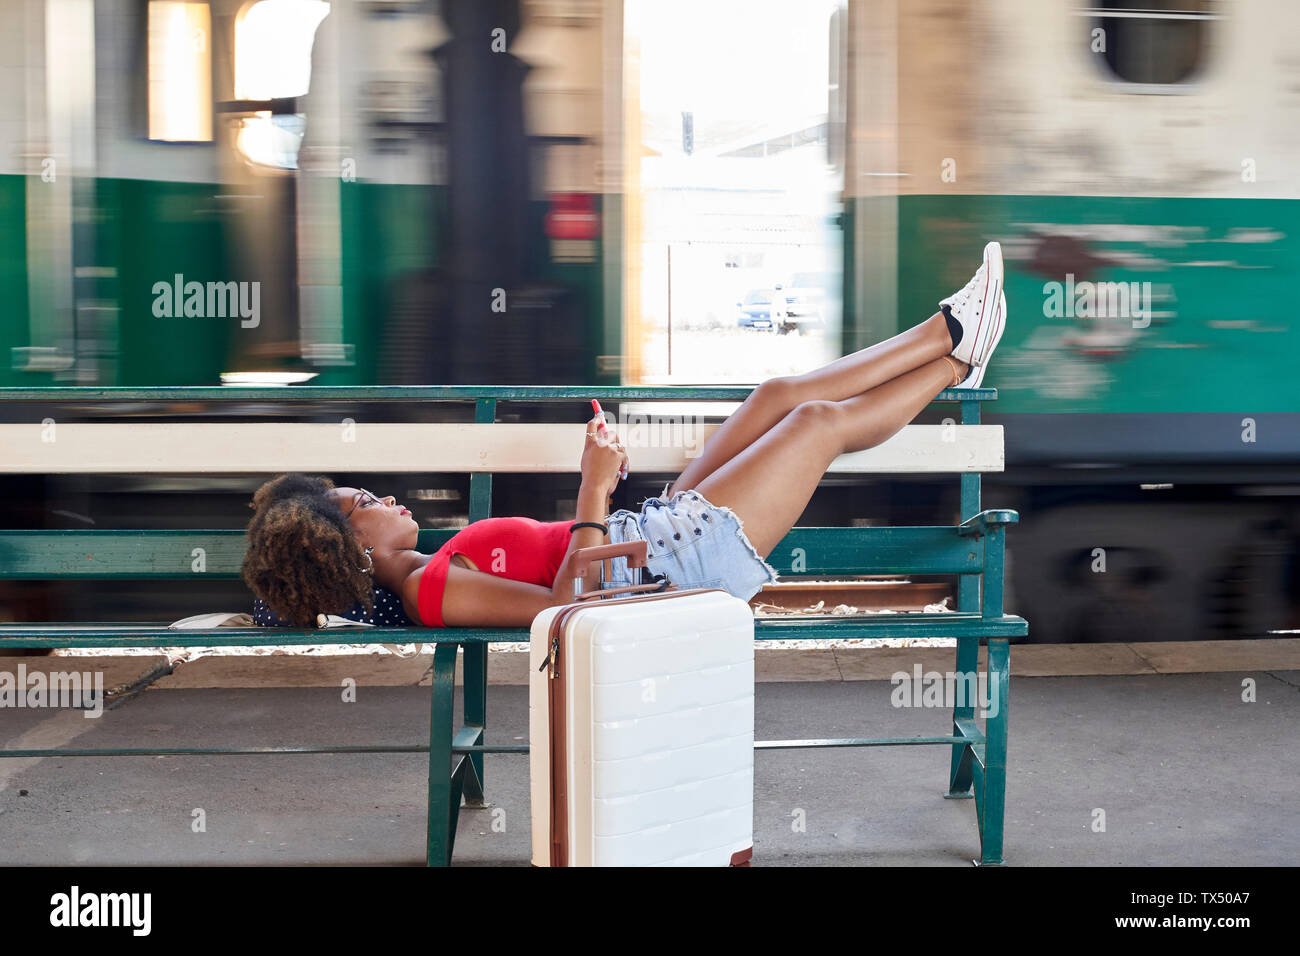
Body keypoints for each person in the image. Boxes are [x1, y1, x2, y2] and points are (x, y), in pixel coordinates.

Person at [242, 243, 1006, 629]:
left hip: (657, 537)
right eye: (366, 500)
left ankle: (953, 347)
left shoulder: (434, 568)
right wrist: (594, 482)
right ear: (353, 547)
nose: (388, 496)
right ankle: (954, 341)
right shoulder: (432, 588)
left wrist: (609, 495)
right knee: (815, 424)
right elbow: (572, 607)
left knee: (775, 396)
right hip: (674, 566)